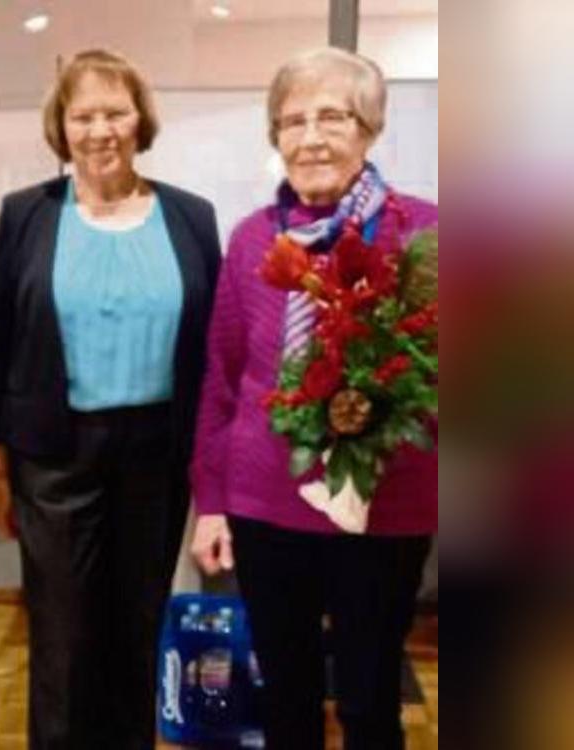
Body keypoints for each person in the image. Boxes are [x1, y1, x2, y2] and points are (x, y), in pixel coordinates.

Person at [189, 47, 437, 750]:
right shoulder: (250, 241)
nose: (311, 136)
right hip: (266, 505)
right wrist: (211, 501)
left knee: (367, 702)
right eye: (292, 121)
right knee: (286, 702)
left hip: (385, 513)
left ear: (369, 128)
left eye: (332, 115)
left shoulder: (423, 232)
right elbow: (222, 380)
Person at [0, 49, 221, 750]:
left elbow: (213, 343)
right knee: (63, 637)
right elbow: (1, 334)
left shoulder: (191, 217)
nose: (100, 129)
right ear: (61, 127)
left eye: (115, 111)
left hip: (157, 453)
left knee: (138, 624)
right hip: (54, 454)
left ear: (141, 119)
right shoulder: (26, 214)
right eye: (82, 115)